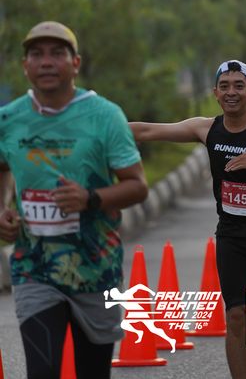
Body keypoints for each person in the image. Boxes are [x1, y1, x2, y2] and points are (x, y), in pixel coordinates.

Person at [130, 58, 246, 379]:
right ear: (215, 92)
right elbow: (147, 130)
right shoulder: (206, 129)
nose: (231, 92)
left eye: (239, 86)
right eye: (224, 86)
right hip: (231, 238)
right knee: (235, 316)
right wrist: (96, 126)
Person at [0, 21, 148, 379]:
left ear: (75, 63)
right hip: (34, 267)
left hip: (96, 269)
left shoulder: (105, 116)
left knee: (92, 373)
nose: (46, 62)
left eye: (57, 53)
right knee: (43, 371)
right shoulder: (9, 119)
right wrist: (2, 208)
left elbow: (138, 186)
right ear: (25, 66)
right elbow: (2, 167)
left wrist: (90, 198)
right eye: (36, 54)